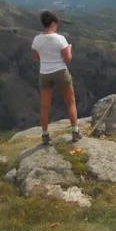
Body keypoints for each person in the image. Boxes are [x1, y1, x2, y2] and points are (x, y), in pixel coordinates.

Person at [31, 10, 81, 145]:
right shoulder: (60, 39)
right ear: (53, 23)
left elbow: (36, 57)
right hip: (60, 71)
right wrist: (69, 50)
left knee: (45, 106)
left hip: (45, 73)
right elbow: (67, 59)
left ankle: (45, 135)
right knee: (70, 102)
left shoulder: (36, 40)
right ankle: (75, 131)